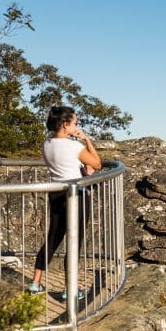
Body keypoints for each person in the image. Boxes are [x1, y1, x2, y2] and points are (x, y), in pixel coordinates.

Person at [29, 106, 101, 299]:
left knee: (52, 238)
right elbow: (96, 163)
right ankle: (70, 289)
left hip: (56, 193)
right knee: (74, 242)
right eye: (75, 123)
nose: (77, 126)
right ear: (65, 124)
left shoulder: (47, 144)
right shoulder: (74, 146)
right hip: (76, 195)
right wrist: (87, 140)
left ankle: (35, 283)